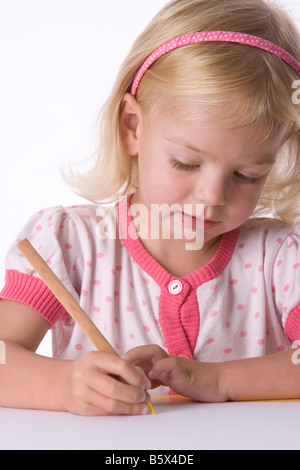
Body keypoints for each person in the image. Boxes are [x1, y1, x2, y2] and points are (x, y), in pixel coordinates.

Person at [1, 0, 300, 416]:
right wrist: (65, 386)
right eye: (186, 163)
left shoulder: (281, 259)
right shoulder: (70, 245)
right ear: (132, 128)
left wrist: (218, 379)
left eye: (247, 175)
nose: (213, 196)